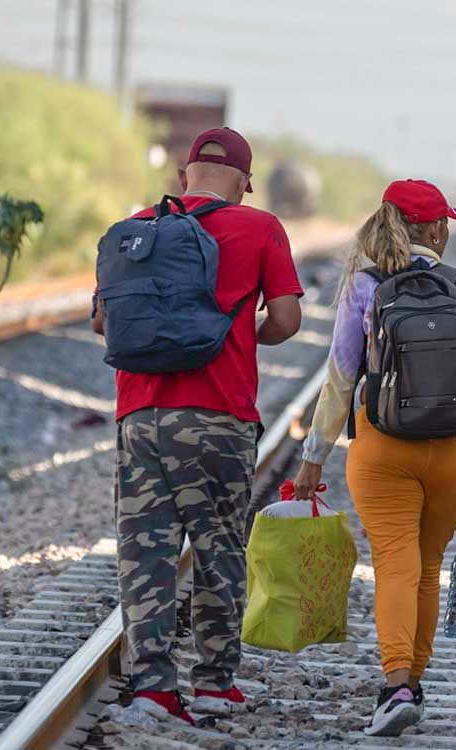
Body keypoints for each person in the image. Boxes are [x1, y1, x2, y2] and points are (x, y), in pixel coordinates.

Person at [92, 127, 304, 725]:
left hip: (139, 414)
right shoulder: (260, 227)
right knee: (218, 551)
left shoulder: (138, 226)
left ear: (184, 177)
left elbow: (104, 323)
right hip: (218, 417)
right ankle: (213, 683)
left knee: (146, 555)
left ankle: (154, 688)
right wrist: (240, 336)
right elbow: (286, 319)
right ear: (244, 182)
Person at [290, 179, 456, 737]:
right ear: (435, 228)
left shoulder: (364, 286)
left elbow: (340, 380)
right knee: (427, 567)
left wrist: (314, 457)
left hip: (384, 450)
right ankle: (415, 682)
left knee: (394, 563)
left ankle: (397, 685)